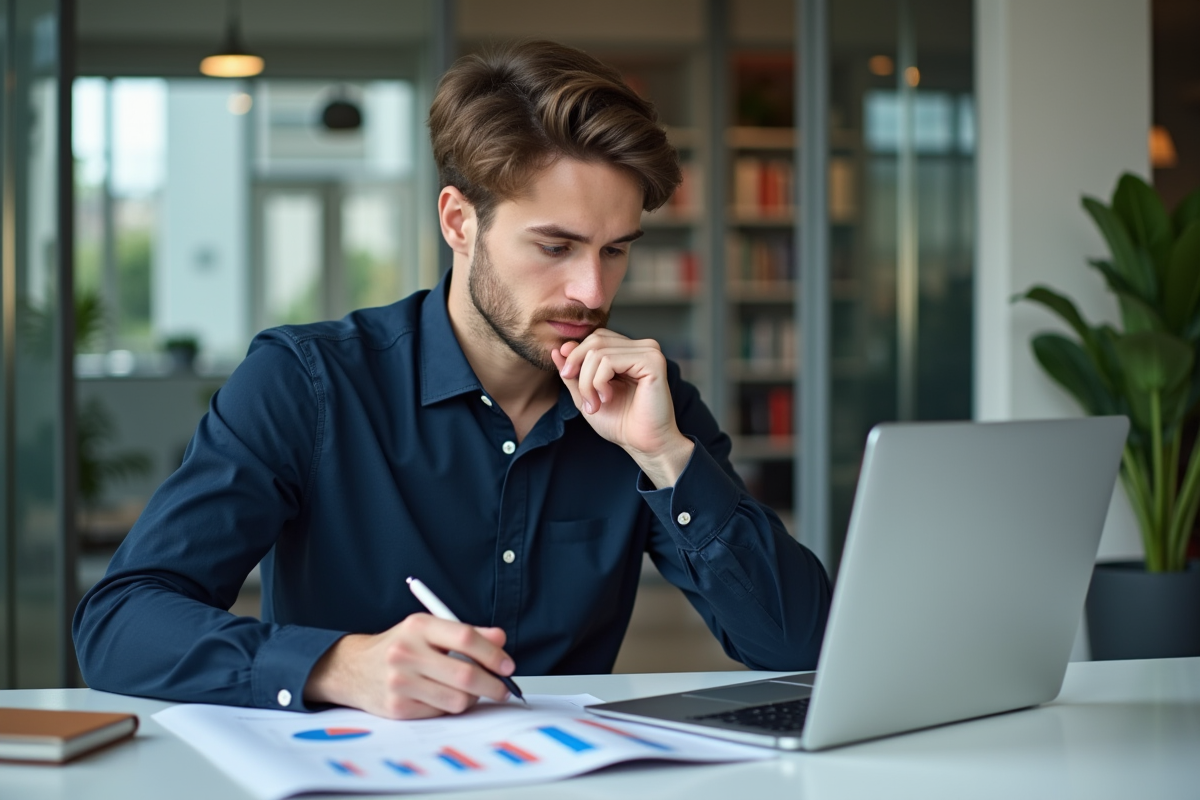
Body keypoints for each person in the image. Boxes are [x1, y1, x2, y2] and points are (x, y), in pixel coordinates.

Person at [73, 40, 831, 720]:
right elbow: (119, 623)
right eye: (556, 245)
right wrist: (336, 666)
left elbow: (800, 644)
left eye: (615, 251)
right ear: (459, 221)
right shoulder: (306, 384)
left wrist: (669, 461)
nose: (593, 292)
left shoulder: (651, 405)